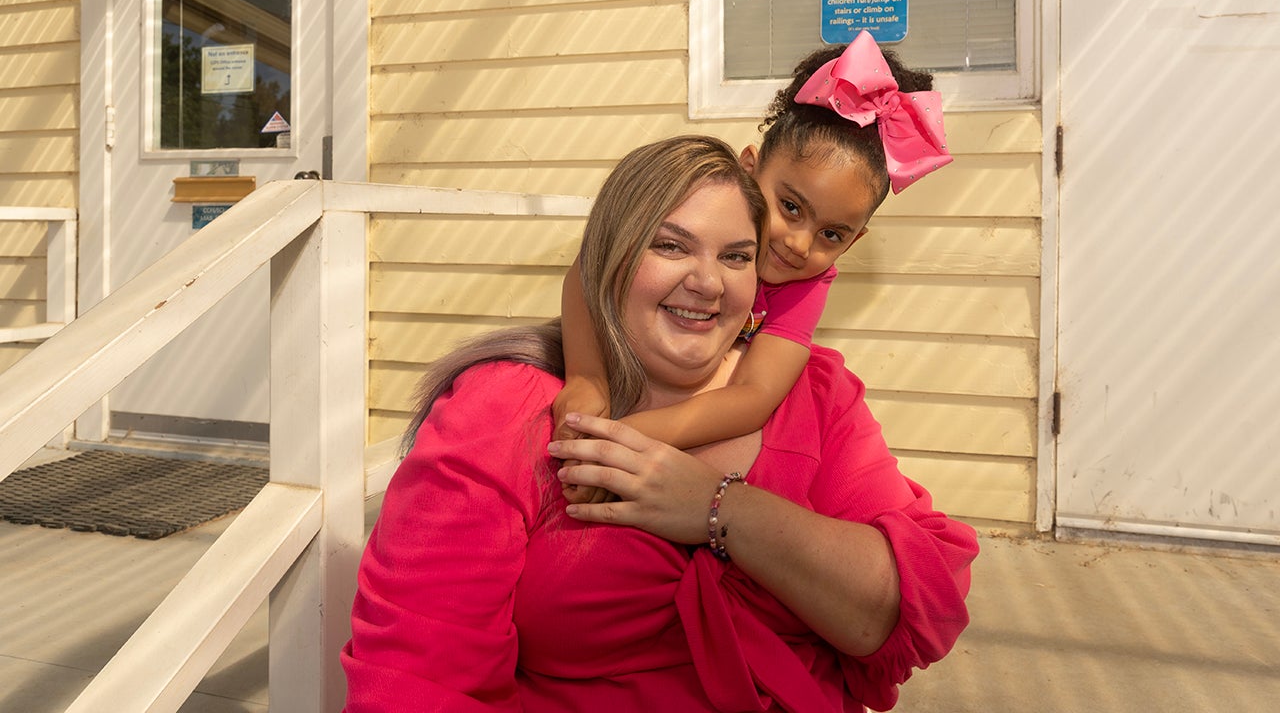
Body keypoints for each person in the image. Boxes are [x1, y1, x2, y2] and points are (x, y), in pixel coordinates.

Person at [341, 134, 977, 712]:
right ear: (616, 251)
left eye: (736, 256)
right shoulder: (508, 410)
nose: (706, 282)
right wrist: (588, 386)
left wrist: (718, 507)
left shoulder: (816, 395)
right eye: (670, 245)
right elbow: (416, 680)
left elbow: (914, 605)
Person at [554, 30, 952, 504]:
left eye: (832, 235)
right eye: (790, 206)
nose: (800, 244)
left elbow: (753, 397)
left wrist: (622, 439)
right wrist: (586, 376)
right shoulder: (701, 200)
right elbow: (590, 266)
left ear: (853, 242)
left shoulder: (808, 285)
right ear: (748, 169)